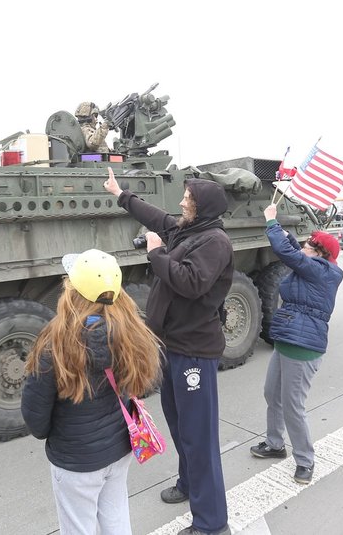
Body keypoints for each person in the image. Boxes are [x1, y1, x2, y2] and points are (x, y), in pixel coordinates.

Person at [103, 167, 232, 535]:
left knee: (199, 436)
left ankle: (211, 523)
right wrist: (120, 193)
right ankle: (189, 483)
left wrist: (157, 255)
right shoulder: (190, 231)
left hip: (194, 351)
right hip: (173, 346)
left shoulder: (214, 242)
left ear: (201, 206)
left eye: (187, 199)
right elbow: (156, 217)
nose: (180, 202)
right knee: (180, 425)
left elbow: (191, 282)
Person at [21, 249, 162, 535]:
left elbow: (35, 418)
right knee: (116, 517)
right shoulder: (132, 332)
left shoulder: (55, 343)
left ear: (72, 290)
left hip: (76, 459)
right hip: (120, 447)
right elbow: (143, 384)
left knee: (77, 528)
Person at [249, 205, 343, 485]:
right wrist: (284, 230)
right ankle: (275, 444)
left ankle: (305, 460)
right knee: (272, 395)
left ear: (321, 254)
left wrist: (271, 222)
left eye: (310, 244)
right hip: (287, 340)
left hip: (303, 346)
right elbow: (294, 249)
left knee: (293, 405)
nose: (304, 245)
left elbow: (288, 252)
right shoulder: (313, 266)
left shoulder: (321, 271)